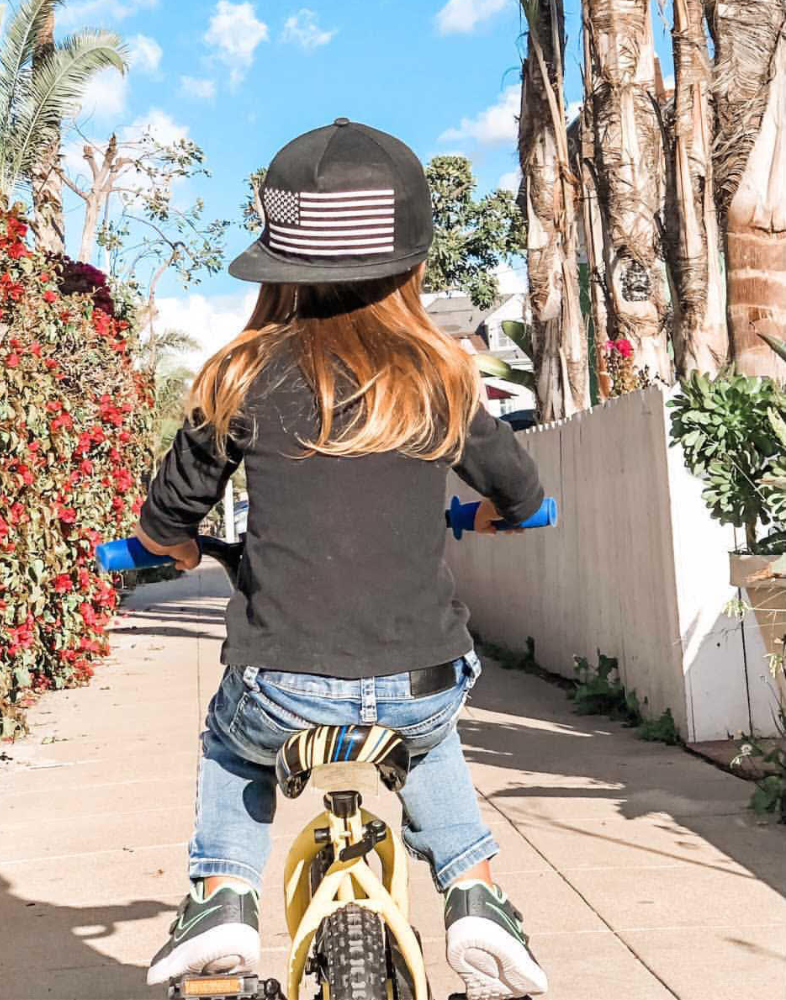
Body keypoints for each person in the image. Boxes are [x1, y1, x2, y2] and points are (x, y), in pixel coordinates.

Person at [137, 119, 549, 1000]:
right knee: (430, 745)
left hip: (280, 682)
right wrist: (500, 515)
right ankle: (475, 896)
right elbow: (521, 491)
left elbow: (171, 513)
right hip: (422, 678)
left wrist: (161, 549)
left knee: (230, 747)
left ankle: (221, 899)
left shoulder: (240, 374)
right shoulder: (441, 376)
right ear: (411, 264)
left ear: (280, 265)